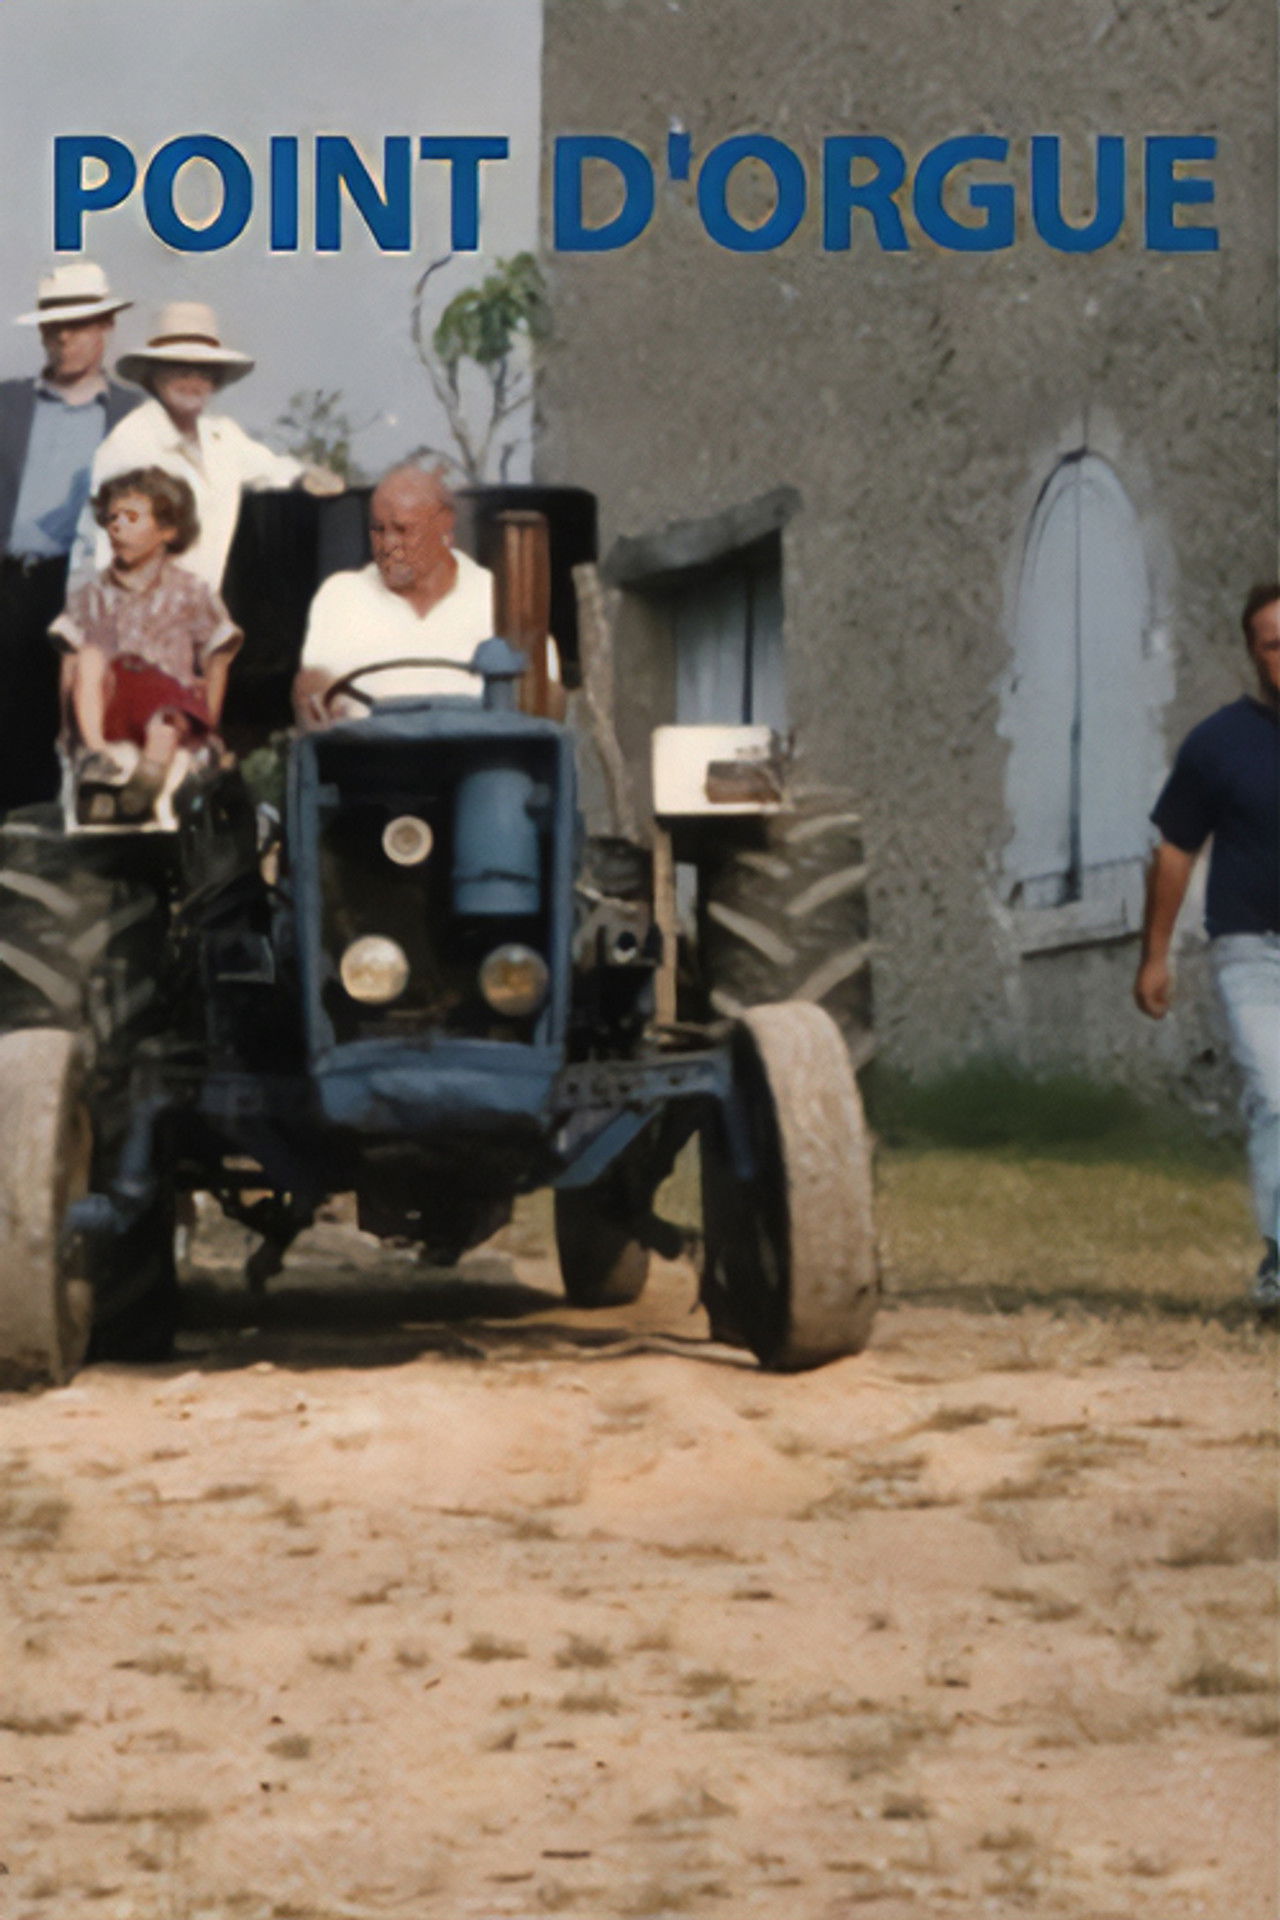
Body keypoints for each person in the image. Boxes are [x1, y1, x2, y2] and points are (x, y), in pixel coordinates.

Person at [1134, 583, 1280, 1314]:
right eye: (1274, 643)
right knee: (1278, 1096)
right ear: (1253, 654)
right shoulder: (1219, 743)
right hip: (1253, 951)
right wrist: (1155, 956)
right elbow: (1174, 853)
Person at [0, 262, 139, 813]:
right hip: (9, 579)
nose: (65, 337)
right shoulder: (8, 403)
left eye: (78, 325)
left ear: (105, 326)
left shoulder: (134, 415)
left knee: (68, 730)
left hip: (84, 587)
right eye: (54, 327)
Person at [85, 301, 342, 591]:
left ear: (215, 379)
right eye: (179, 369)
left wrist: (306, 476)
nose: (192, 382)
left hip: (201, 613)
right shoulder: (129, 443)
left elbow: (273, 469)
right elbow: (107, 551)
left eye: (203, 371)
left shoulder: (222, 436)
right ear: (154, 375)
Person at [51, 466, 242, 824]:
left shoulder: (191, 592)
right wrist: (67, 734)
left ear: (168, 530)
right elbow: (70, 667)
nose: (116, 526)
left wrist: (208, 726)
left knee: (166, 721)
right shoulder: (89, 595)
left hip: (166, 704)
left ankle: (141, 791)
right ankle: (97, 757)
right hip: (112, 706)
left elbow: (218, 660)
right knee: (90, 656)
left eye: (132, 517)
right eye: (111, 518)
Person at [293, 464, 501, 725]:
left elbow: (541, 701)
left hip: (478, 755)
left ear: (445, 525)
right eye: (379, 530)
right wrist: (311, 696)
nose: (388, 545)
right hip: (368, 756)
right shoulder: (341, 596)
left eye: (403, 530)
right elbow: (315, 693)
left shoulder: (496, 597)